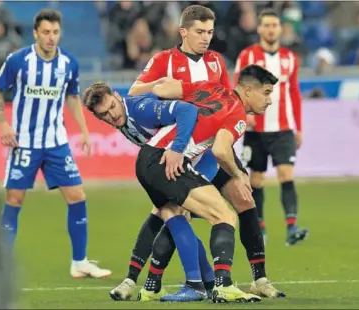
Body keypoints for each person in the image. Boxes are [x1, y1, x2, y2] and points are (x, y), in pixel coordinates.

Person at [110, 4, 283, 301]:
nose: (206, 38)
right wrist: (169, 106)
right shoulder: (165, 59)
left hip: (208, 147)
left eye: (210, 32)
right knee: (178, 212)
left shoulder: (216, 63)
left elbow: (229, 102)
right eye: (200, 32)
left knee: (242, 197)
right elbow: (138, 92)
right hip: (178, 151)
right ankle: (146, 280)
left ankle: (259, 278)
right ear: (183, 32)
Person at [84, 64, 278, 303]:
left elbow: (170, 89)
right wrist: (239, 174)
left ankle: (156, 285)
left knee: (172, 215)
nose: (269, 100)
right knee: (224, 216)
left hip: (150, 161)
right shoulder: (237, 113)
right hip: (168, 160)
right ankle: (219, 285)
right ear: (248, 91)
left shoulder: (210, 88)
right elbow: (220, 149)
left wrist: (149, 87)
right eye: (267, 93)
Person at [0, 9, 110, 278]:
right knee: (15, 198)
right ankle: (0, 265)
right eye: (45, 32)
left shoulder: (69, 63)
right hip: (25, 143)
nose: (51, 37)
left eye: (55, 32)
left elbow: (73, 97)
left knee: (77, 196)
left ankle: (79, 261)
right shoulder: (19, 61)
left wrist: (85, 131)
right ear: (35, 33)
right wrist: (2, 123)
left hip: (56, 143)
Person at [82, 83, 216, 302]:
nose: (112, 115)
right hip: (182, 163)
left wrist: (176, 149)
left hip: (201, 159)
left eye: (112, 106)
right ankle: (206, 283)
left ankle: (193, 285)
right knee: (168, 214)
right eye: (104, 114)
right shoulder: (124, 123)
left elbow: (188, 110)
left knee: (170, 213)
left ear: (117, 96)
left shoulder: (140, 108)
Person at [234, 9, 308, 245]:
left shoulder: (290, 58)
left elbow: (294, 92)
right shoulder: (247, 56)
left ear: (280, 28)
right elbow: (237, 88)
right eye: (266, 25)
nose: (271, 29)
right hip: (256, 131)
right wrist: (245, 114)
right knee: (256, 180)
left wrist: (299, 127)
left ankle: (292, 227)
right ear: (259, 29)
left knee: (286, 174)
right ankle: (261, 228)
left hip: (283, 129)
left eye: (275, 25)